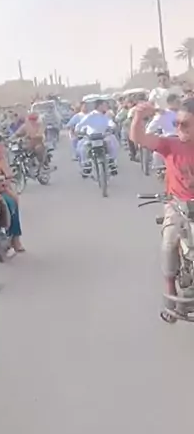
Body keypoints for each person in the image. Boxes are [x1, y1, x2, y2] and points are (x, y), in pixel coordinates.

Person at [131, 99, 194, 320]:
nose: (179, 128)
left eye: (185, 124)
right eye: (177, 123)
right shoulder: (170, 144)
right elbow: (139, 138)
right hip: (178, 205)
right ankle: (170, 290)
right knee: (169, 241)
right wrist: (138, 117)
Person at [76, 99, 119, 176]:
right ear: (99, 106)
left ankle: (112, 162)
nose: (106, 106)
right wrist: (78, 130)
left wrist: (112, 126)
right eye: (104, 105)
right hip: (91, 137)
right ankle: (86, 164)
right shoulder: (90, 116)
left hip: (103, 136)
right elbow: (81, 124)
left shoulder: (105, 115)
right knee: (82, 147)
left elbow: (110, 123)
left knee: (113, 143)